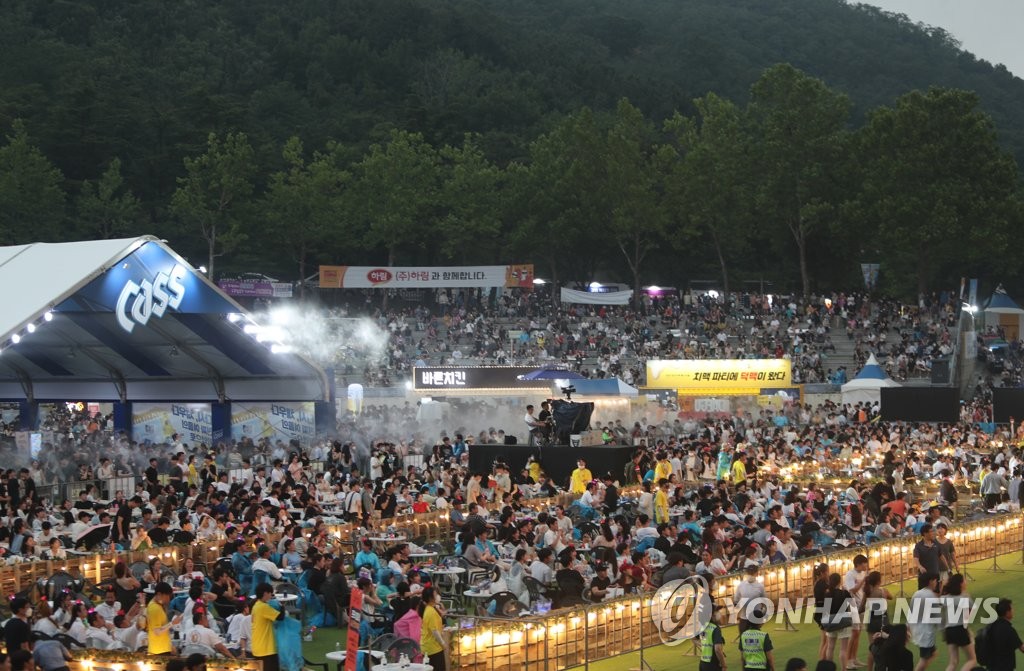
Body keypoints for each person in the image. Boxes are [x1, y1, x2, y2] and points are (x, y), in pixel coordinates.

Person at [940, 574, 975, 671]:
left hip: (949, 631)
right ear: (960, 584)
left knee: (953, 662)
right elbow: (970, 615)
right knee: (972, 660)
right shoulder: (965, 598)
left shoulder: (945, 598)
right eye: (964, 581)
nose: (966, 582)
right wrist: (967, 629)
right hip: (960, 629)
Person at [909, 573, 941, 671]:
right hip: (926, 633)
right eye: (935, 580)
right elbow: (936, 617)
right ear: (930, 581)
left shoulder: (916, 594)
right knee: (924, 659)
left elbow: (911, 613)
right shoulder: (931, 596)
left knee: (933, 654)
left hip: (917, 630)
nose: (936, 582)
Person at [253, 583, 286, 671]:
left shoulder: (256, 605)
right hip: (266, 649)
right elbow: (280, 617)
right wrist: (282, 605)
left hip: (258, 647)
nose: (271, 596)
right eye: (270, 593)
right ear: (265, 593)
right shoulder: (263, 607)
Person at [986, 598, 1024, 671]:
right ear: (1007, 613)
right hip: (1005, 668)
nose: (1013, 611)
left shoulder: (991, 627)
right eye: (1012, 609)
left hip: (991, 668)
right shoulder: (1009, 630)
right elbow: (1022, 648)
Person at [147, 582, 183, 655]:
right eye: (167, 596)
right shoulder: (155, 609)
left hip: (161, 647)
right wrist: (172, 623)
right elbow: (157, 631)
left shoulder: (157, 605)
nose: (168, 600)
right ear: (159, 594)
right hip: (159, 650)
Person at [419, 586, 448, 671]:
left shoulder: (430, 609)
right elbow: (434, 631)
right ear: (431, 598)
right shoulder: (431, 612)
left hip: (430, 647)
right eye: (436, 595)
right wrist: (443, 644)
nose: (438, 596)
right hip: (433, 648)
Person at [738, 606, 774, 671]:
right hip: (762, 668)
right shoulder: (764, 636)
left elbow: (742, 656)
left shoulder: (743, 635)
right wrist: (773, 668)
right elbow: (769, 657)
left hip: (748, 668)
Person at [735, 566, 767, 634]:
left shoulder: (760, 586)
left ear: (757, 573)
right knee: (743, 638)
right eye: (749, 573)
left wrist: (763, 616)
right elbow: (736, 600)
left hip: (755, 618)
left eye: (753, 573)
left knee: (755, 637)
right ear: (747, 573)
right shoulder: (741, 585)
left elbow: (764, 602)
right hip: (744, 618)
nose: (751, 575)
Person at [700, 607, 727, 671]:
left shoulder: (702, 627)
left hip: (703, 662)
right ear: (711, 615)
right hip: (713, 663)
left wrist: (704, 645)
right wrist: (724, 665)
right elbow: (717, 649)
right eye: (715, 613)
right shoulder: (715, 628)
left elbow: (693, 638)